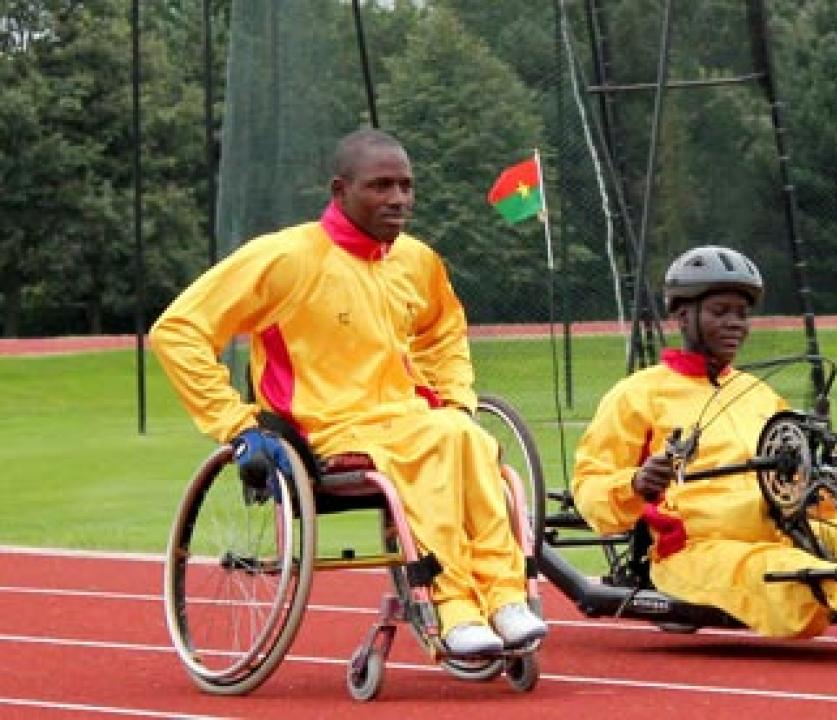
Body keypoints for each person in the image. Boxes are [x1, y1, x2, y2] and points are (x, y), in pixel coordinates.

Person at [151, 127, 547, 656]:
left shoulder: (416, 261)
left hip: (407, 417)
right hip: (324, 425)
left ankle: (504, 598)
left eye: (406, 186)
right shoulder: (285, 258)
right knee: (435, 443)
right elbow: (178, 330)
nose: (399, 199)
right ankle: (454, 608)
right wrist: (236, 424)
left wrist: (453, 396)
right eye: (381, 186)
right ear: (341, 191)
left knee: (470, 438)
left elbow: (443, 329)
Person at [571, 245, 837, 638]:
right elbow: (589, 486)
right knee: (776, 571)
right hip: (697, 549)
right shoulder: (637, 395)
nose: (735, 324)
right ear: (683, 315)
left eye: (742, 315)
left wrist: (831, 468)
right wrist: (636, 483)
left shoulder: (759, 394)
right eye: (720, 312)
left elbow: (791, 479)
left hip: (782, 526)